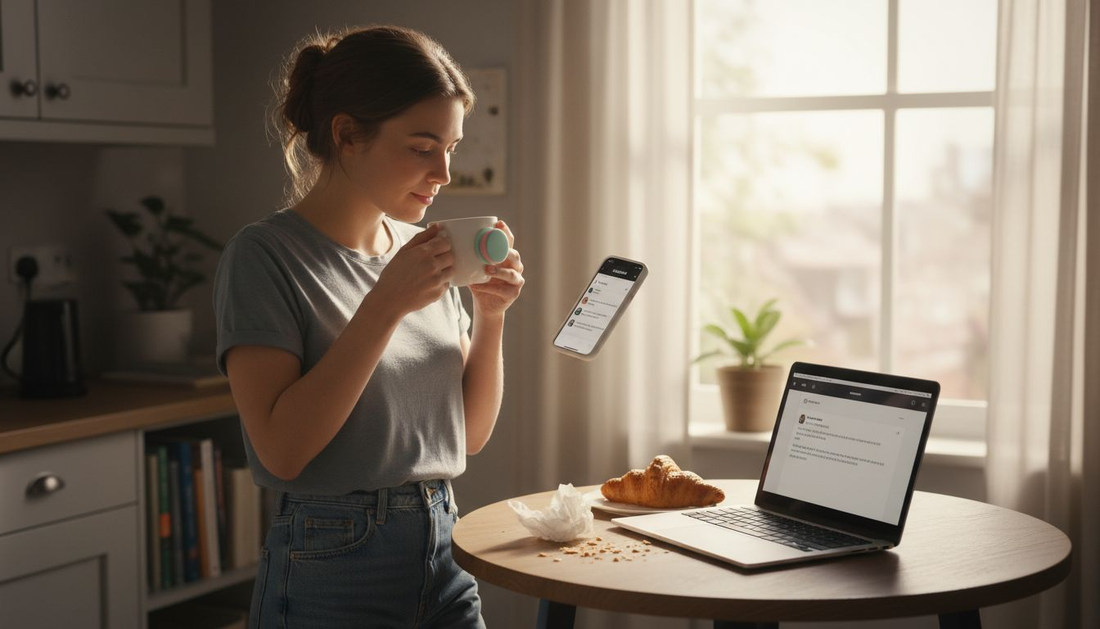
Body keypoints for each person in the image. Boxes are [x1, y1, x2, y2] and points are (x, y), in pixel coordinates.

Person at [213, 25, 523, 629]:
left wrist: (491, 318)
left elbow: (470, 435)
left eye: (452, 147)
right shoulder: (263, 257)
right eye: (422, 146)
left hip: (444, 545)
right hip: (332, 559)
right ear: (347, 135)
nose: (443, 172)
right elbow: (283, 451)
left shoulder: (424, 252)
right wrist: (384, 307)